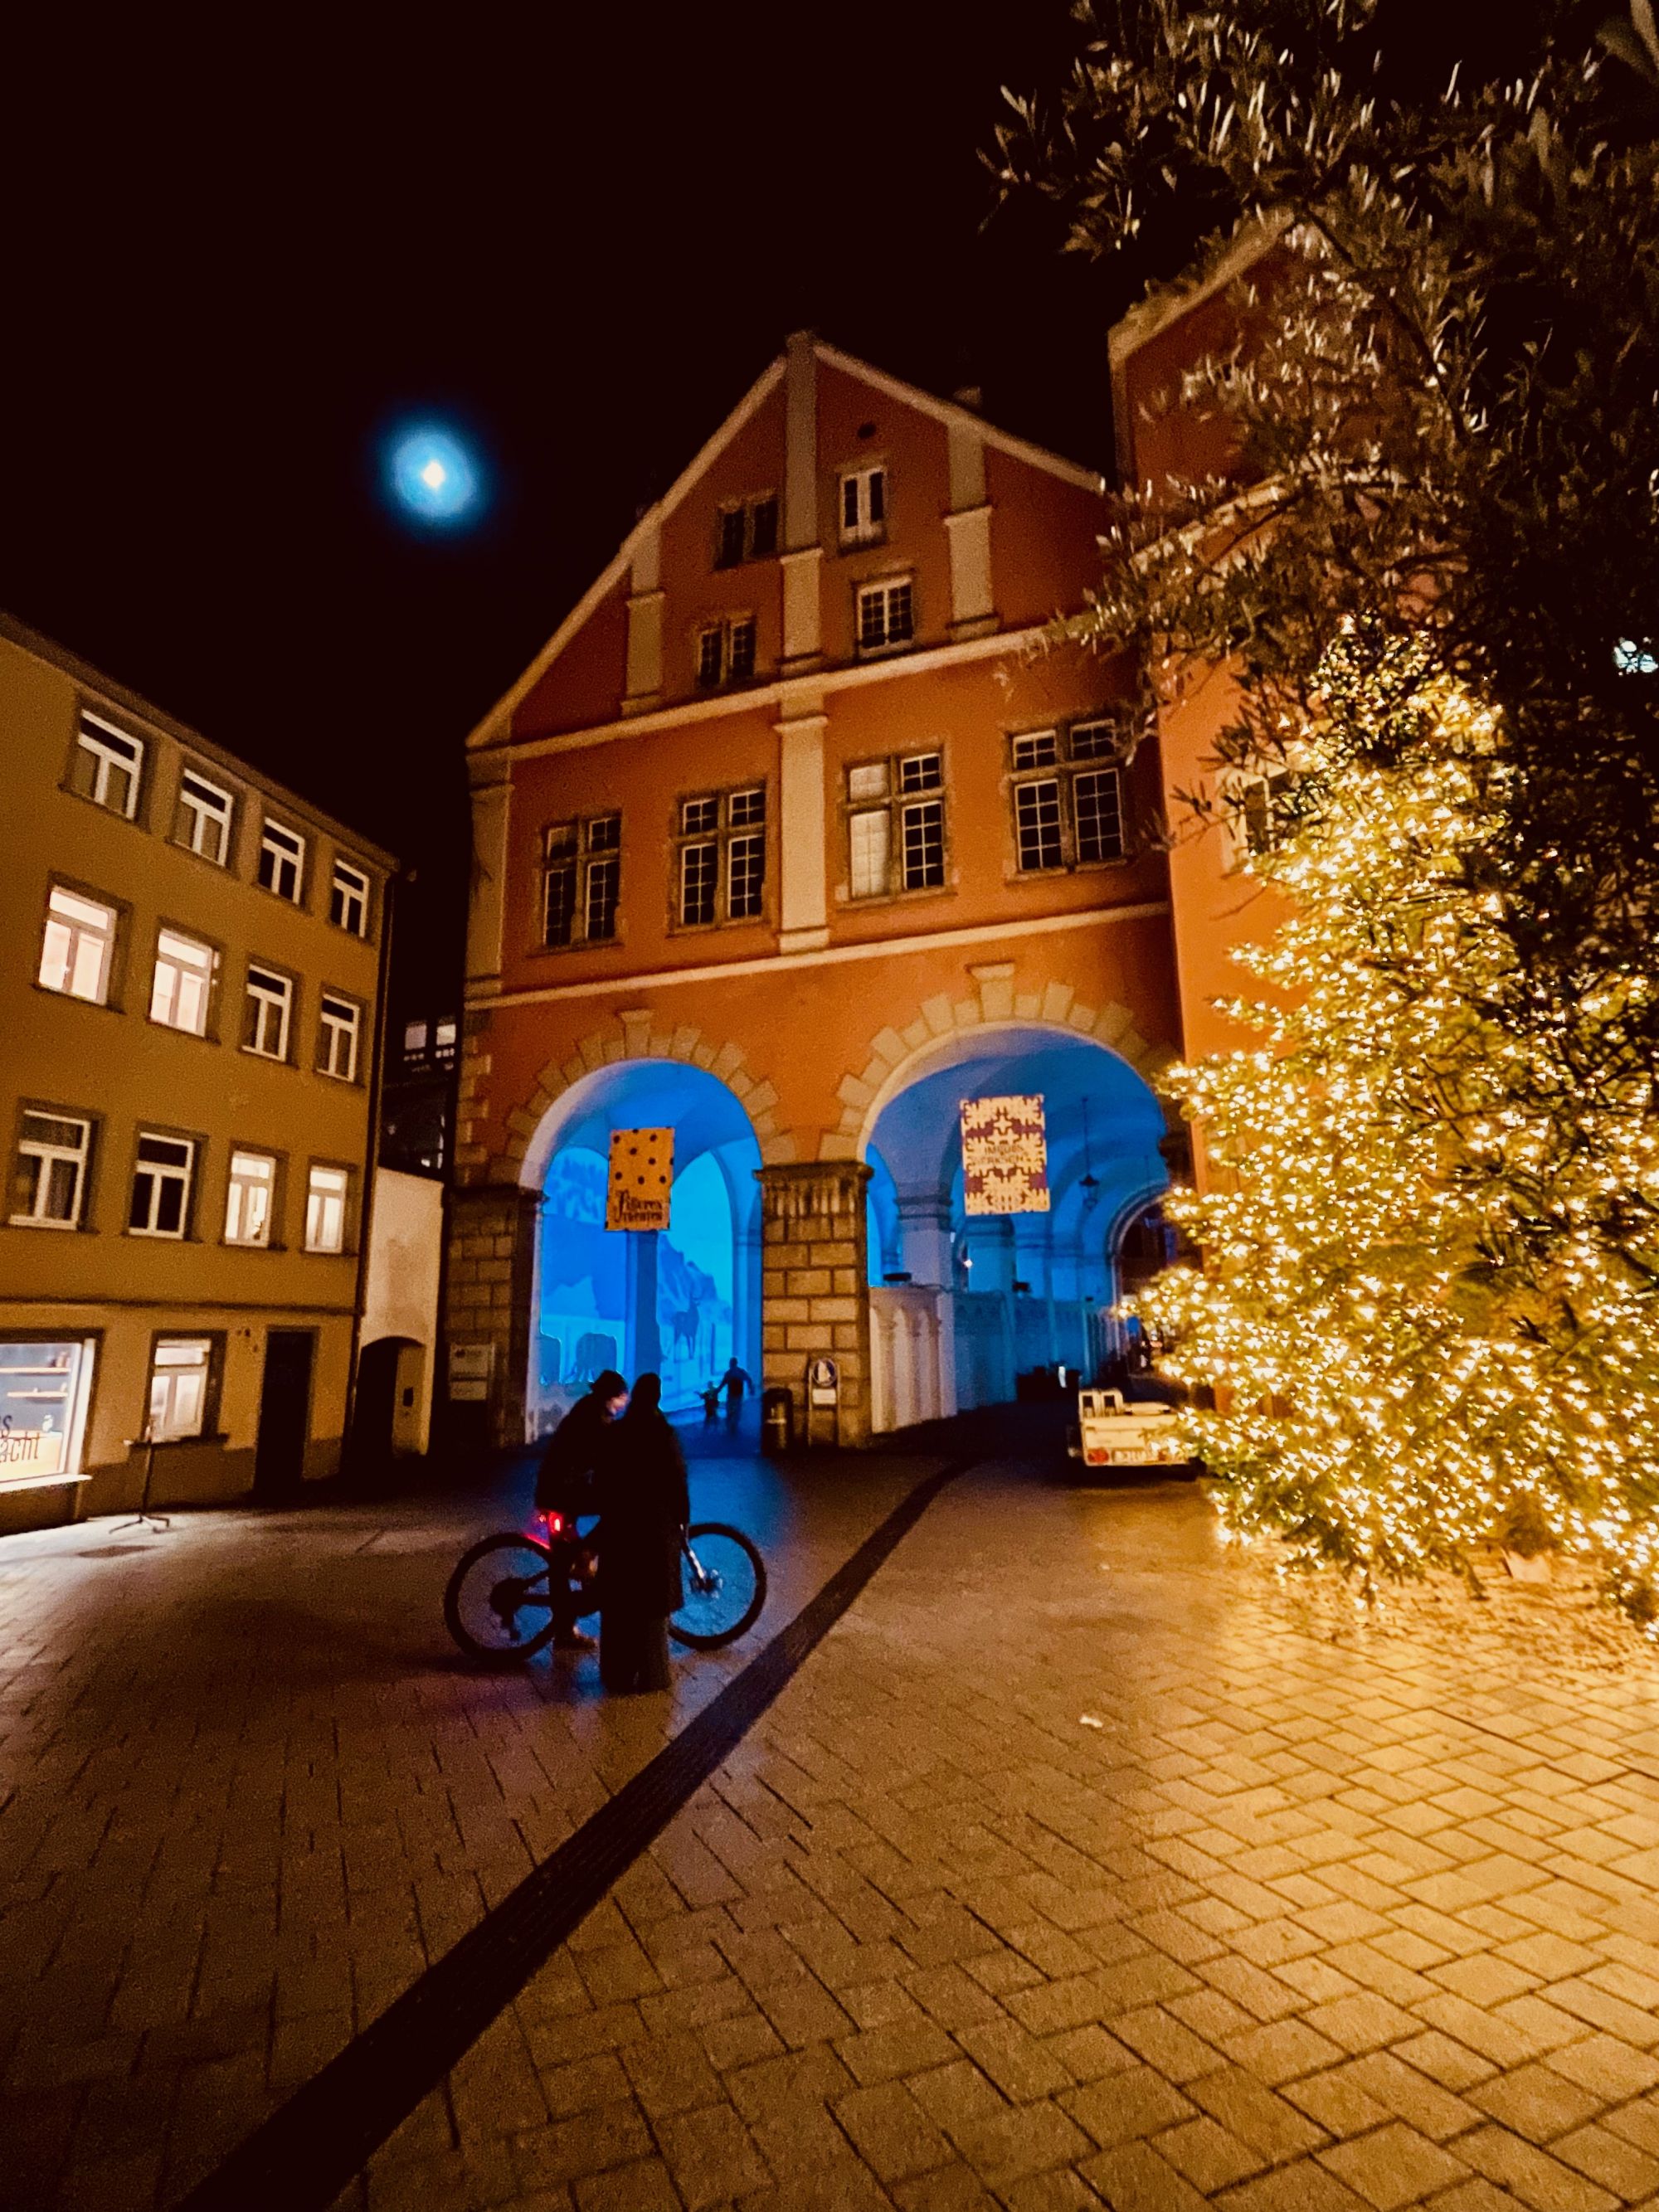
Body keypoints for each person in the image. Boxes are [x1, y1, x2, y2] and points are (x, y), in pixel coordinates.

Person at [596, 1373, 688, 1693]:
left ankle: (615, 1674)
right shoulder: (664, 1433)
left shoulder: (618, 1432)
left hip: (621, 1528)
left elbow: (603, 1479)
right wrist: (682, 1521)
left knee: (618, 1605)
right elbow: (678, 1481)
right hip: (655, 1530)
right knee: (652, 1608)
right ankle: (653, 1677)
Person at [534, 1369, 626, 1650]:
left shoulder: (589, 1410)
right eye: (622, 1397)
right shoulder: (596, 1419)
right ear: (611, 1397)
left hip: (556, 1489)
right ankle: (587, 1558)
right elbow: (611, 1457)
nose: (625, 1402)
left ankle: (566, 1629)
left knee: (561, 1560)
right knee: (621, 1509)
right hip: (562, 1492)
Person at [721, 1356, 752, 1429]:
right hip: (738, 1394)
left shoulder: (729, 1373)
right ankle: (734, 1423)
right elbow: (749, 1379)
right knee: (737, 1409)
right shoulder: (741, 1372)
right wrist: (751, 1389)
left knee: (730, 1408)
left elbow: (723, 1383)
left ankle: (730, 1421)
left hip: (732, 1394)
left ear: (731, 1364)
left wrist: (717, 1391)